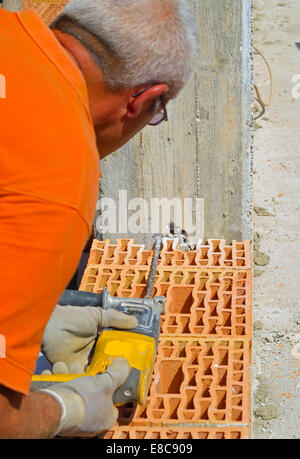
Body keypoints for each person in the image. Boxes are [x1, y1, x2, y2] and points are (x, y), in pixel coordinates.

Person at [0, 0, 199, 438]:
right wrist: (61, 408)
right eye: (156, 113)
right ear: (141, 100)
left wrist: (38, 315)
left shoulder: (9, 30)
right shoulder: (59, 179)